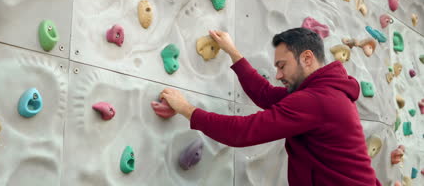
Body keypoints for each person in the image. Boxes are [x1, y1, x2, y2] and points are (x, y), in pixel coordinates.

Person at [159, 28, 381, 186]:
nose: (278, 75)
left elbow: (241, 132)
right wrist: (233, 53)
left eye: (282, 66)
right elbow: (266, 95)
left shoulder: (317, 100)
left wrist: (186, 109)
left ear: (306, 58)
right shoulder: (323, 92)